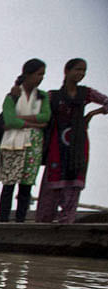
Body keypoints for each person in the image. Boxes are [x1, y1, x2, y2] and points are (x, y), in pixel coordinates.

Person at [36, 58, 108, 223]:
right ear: (66, 71)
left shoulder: (86, 93)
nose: (81, 74)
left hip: (78, 144)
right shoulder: (52, 96)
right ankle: (44, 222)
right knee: (52, 181)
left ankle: (67, 221)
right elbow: (36, 109)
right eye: (77, 69)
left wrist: (92, 114)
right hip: (57, 145)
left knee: (74, 181)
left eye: (84, 71)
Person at [0, 59, 49, 223]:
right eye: (38, 74)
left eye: (43, 75)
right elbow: (9, 120)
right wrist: (34, 123)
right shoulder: (12, 96)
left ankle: (21, 220)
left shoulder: (42, 96)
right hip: (12, 144)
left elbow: (46, 117)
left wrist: (22, 119)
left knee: (26, 184)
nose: (41, 78)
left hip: (34, 145)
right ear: (27, 75)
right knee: (9, 184)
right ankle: (3, 220)